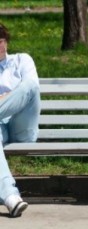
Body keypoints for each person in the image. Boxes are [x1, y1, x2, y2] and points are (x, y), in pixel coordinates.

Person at [0, 22, 40, 217]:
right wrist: (11, 96)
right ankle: (11, 197)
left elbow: (29, 89)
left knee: (30, 86)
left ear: (7, 41)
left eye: (1, 40)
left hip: (21, 125)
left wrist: (6, 98)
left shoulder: (22, 60)